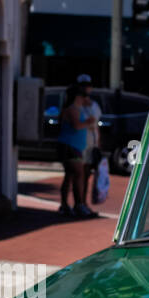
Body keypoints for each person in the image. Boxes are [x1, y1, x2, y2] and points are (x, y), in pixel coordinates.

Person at [56, 83, 98, 217]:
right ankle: (78, 204)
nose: (87, 98)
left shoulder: (79, 109)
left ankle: (66, 205)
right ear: (77, 97)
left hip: (75, 146)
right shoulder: (72, 109)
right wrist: (88, 122)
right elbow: (76, 125)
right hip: (69, 146)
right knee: (79, 174)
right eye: (84, 95)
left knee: (70, 175)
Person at [77, 75, 103, 209]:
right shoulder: (76, 104)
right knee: (78, 173)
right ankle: (78, 202)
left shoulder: (95, 106)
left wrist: (98, 143)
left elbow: (97, 125)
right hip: (79, 142)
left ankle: (84, 202)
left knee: (87, 173)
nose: (86, 88)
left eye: (88, 85)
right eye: (83, 85)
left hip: (91, 143)